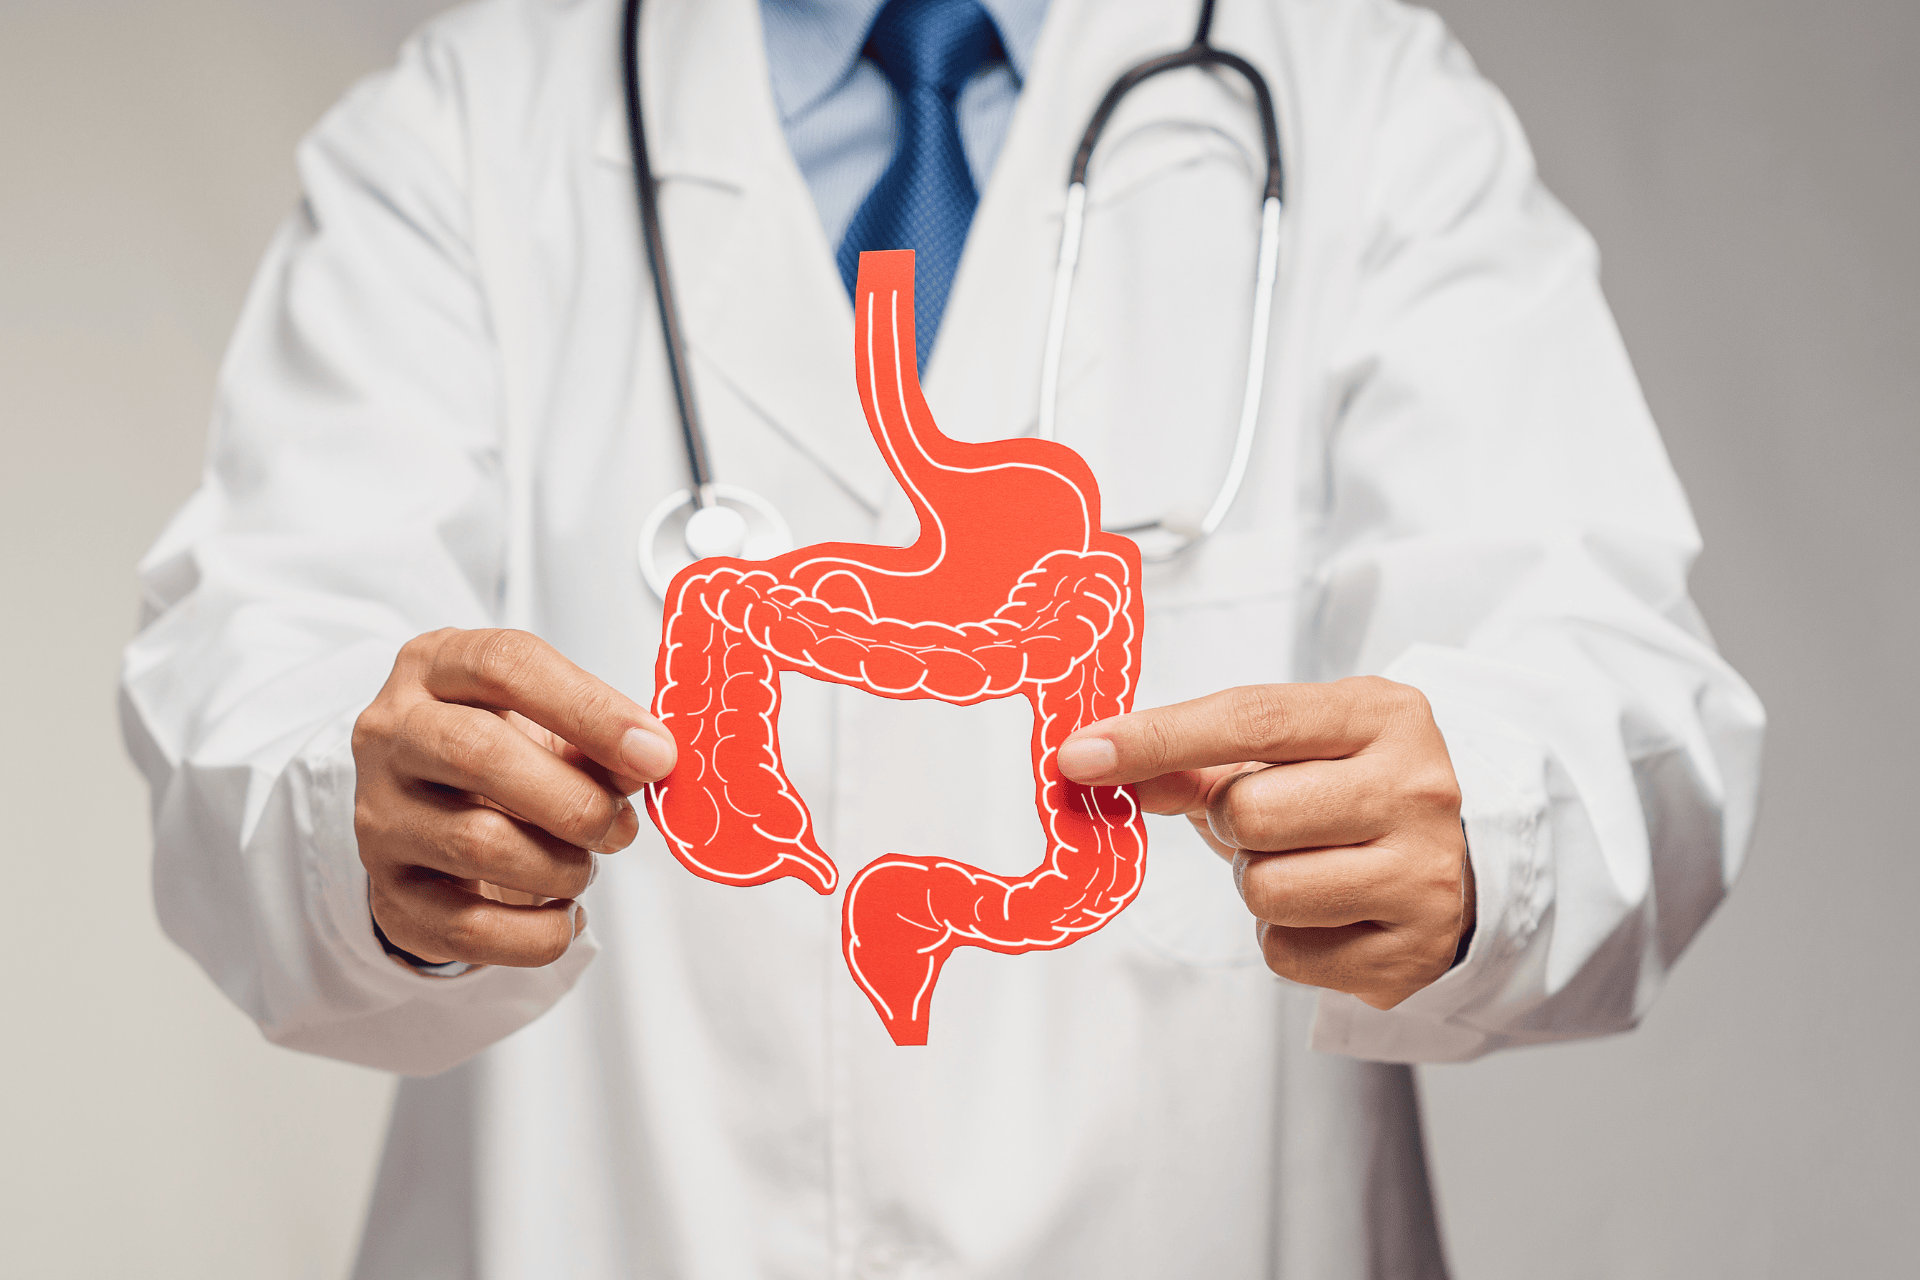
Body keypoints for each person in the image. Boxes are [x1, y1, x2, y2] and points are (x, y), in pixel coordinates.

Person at [120, 0, 1764, 1275]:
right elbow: (250, 686)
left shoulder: (1360, 97)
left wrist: (1487, 815)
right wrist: (371, 813)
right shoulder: (475, 124)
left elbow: (1618, 686)